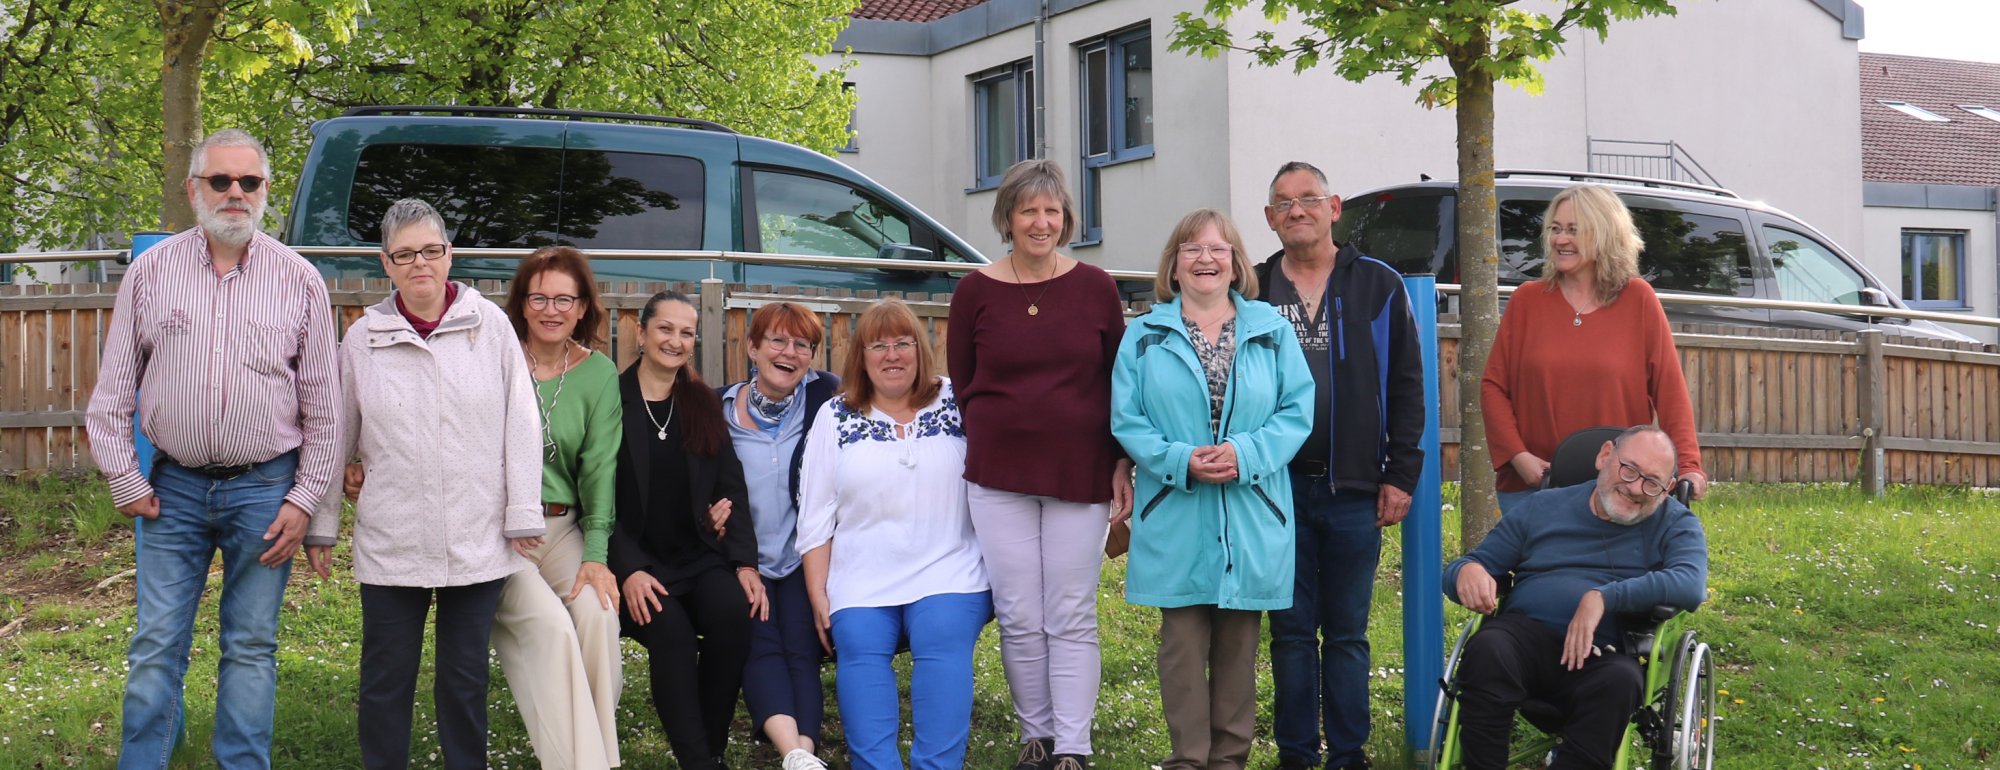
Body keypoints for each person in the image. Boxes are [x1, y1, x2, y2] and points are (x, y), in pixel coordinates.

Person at [85, 128, 340, 770]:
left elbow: (326, 411)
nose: (234, 193)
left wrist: (305, 499)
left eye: (248, 182)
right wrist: (124, 478)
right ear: (192, 188)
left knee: (251, 646)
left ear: (265, 192)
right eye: (220, 180)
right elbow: (111, 396)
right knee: (154, 645)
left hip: (267, 490)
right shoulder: (151, 273)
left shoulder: (300, 281)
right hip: (172, 490)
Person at [303, 197, 546, 770]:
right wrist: (322, 526)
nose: (420, 265)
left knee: (464, 681)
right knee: (386, 680)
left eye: (431, 251)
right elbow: (337, 436)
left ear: (449, 255)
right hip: (394, 542)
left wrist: (522, 513)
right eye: (405, 254)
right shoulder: (364, 339)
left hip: (476, 535)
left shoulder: (489, 328)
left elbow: (522, 421)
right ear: (385, 264)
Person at [946, 158, 1132, 770]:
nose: (1041, 221)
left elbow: (1118, 383)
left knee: (1071, 611)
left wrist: (1120, 463)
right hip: (998, 478)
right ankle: (1038, 738)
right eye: (1029, 209)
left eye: (1052, 210)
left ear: (1066, 218)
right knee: (1020, 612)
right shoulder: (974, 291)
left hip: (1080, 473)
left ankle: (1074, 749)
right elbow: (965, 384)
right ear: (1007, 216)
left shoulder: (1097, 288)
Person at [1111, 210, 1313, 770]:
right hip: (1176, 511)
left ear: (1236, 263)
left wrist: (1244, 455)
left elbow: (1297, 411)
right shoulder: (1144, 335)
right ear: (1173, 265)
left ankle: (1230, 762)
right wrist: (1181, 461)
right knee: (1180, 652)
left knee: (1238, 653)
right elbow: (1128, 420)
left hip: (1251, 513)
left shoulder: (1271, 331)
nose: (1206, 259)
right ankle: (1187, 762)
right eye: (1192, 249)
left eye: (1218, 249)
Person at [1253, 161, 1425, 770]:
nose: (1295, 210)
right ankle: (1297, 755)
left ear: (1334, 206)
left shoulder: (1379, 283)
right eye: (1282, 203)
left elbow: (1407, 385)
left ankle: (1348, 754)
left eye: (1308, 198)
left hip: (1355, 488)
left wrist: (1401, 474)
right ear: (1270, 218)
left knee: (1347, 635)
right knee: (1291, 634)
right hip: (1272, 492)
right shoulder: (1250, 288)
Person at [1443, 425, 1708, 770]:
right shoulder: (1542, 507)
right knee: (1488, 648)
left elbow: (1690, 584)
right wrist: (1467, 571)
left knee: (1621, 682)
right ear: (1604, 456)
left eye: (1652, 482)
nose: (1635, 488)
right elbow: (1466, 567)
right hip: (1524, 639)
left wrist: (1602, 597)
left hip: (1605, 652)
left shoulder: (1675, 523)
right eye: (1628, 470)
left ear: (1668, 488)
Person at [798, 299, 991, 770]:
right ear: (860, 356)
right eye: (878, 345)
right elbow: (815, 516)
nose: (892, 355)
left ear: (920, 350)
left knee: (943, 636)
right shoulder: (834, 416)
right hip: (861, 576)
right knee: (859, 646)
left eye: (903, 343)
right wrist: (819, 594)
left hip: (949, 567)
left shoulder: (957, 400)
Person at [608, 290, 766, 770]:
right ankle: (698, 761)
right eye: (665, 329)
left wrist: (743, 563)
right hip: (637, 563)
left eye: (686, 333)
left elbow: (729, 487)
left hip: (697, 555)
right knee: (672, 636)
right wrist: (628, 568)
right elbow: (590, 501)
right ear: (641, 332)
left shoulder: (700, 401)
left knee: (733, 615)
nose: (675, 341)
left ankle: (710, 749)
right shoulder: (611, 402)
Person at [1481, 184, 1706, 515]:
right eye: (1555, 229)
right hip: (1535, 486)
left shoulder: (1638, 300)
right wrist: (1518, 457)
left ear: (1604, 234)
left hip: (1621, 489)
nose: (1560, 239)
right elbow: (1493, 388)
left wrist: (1688, 465)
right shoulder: (1527, 301)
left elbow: (1669, 390)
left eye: (1574, 230)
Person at [494, 247, 625, 769]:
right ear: (522, 304)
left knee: (597, 615)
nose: (551, 309)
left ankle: (594, 759)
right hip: (501, 535)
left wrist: (596, 554)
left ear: (582, 307)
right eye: (540, 297)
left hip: (563, 527)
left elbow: (599, 470)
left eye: (563, 299)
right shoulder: (496, 358)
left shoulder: (599, 375)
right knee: (550, 630)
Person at [721, 302, 842, 770]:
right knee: (759, 640)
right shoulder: (719, 409)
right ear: (752, 347)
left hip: (802, 558)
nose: (789, 352)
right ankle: (792, 749)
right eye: (777, 341)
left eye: (802, 345)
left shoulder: (826, 401)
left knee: (801, 646)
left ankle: (802, 755)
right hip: (743, 559)